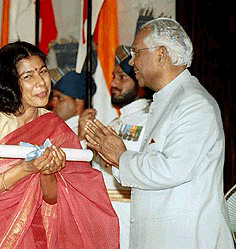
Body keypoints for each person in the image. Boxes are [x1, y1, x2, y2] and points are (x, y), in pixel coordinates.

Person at [0, 41, 119, 249]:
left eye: (42, 72)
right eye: (28, 77)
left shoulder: (54, 126)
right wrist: (25, 169)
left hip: (34, 234)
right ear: (10, 82)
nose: (41, 82)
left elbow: (52, 200)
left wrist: (48, 172)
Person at [85, 18, 235, 248]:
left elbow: (172, 169)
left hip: (187, 240)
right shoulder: (167, 101)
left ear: (161, 54)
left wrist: (121, 157)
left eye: (136, 52)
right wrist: (113, 157)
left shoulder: (193, 103)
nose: (133, 61)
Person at [94, 45, 153, 249]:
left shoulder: (149, 122)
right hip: (105, 222)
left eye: (122, 77)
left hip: (132, 220)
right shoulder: (114, 124)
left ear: (140, 83)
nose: (113, 83)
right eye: (113, 76)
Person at [49, 69, 97, 142]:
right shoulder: (54, 128)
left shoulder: (85, 134)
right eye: (52, 98)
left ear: (78, 103)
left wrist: (81, 139)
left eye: (59, 98)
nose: (52, 102)